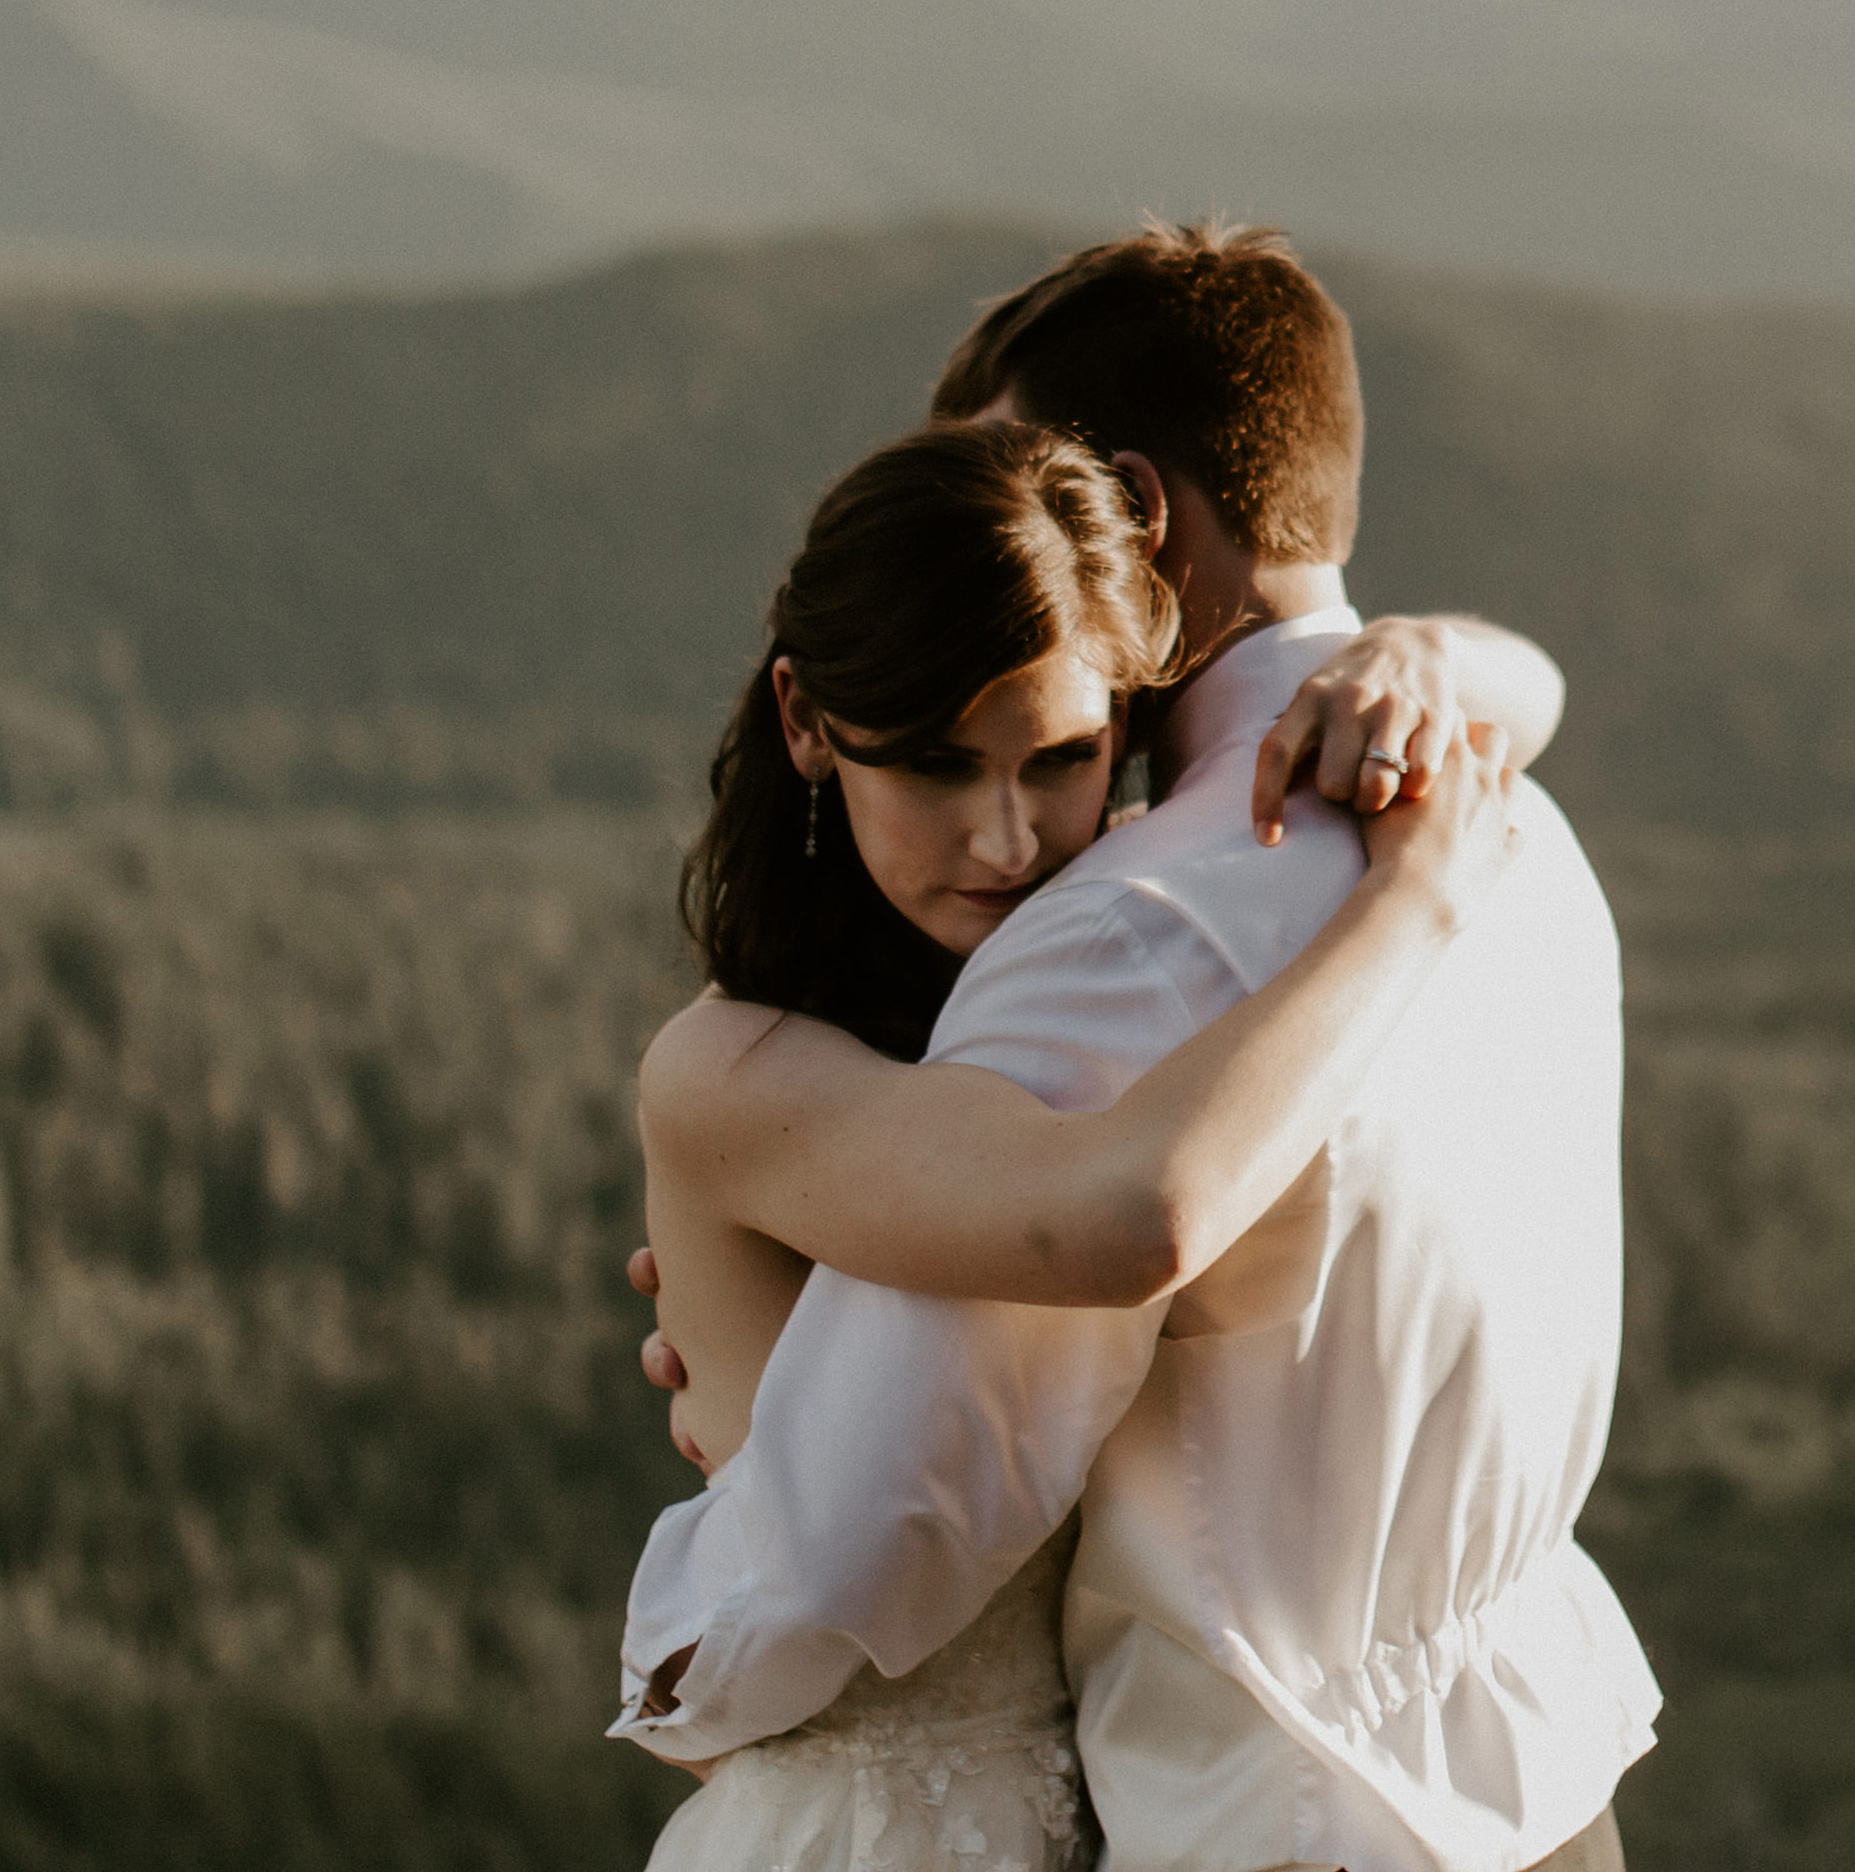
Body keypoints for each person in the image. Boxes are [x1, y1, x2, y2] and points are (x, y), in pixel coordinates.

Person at [618, 223, 1653, 1872]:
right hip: (1538, 1780)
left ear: (1126, 512)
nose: (1008, 838)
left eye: (1014, 472)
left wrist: (703, 1625)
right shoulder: (1514, 820)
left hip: (1284, 1817)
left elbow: (879, 1519)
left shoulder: (1124, 940)